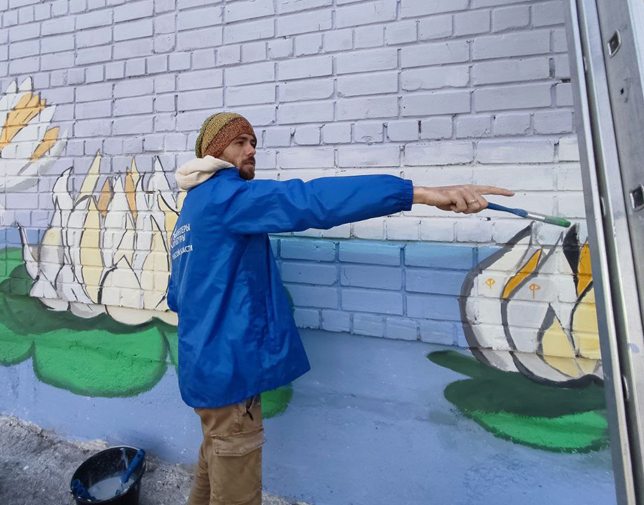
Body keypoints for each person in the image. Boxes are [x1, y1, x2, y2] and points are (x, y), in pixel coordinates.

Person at [167, 112, 513, 505]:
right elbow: (311, 200)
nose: (251, 150)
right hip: (231, 374)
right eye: (240, 142)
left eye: (254, 143)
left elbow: (177, 296)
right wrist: (418, 193)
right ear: (216, 150)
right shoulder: (227, 197)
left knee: (214, 457)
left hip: (203, 371)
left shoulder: (191, 211)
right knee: (235, 489)